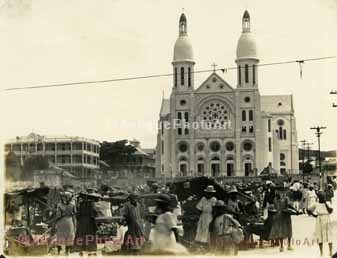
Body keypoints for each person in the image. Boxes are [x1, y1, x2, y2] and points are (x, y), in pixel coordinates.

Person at [308, 191, 333, 257]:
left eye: (323, 196)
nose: (322, 197)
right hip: (319, 219)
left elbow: (330, 211)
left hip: (326, 218)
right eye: (320, 196)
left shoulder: (327, 203)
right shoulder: (316, 204)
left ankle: (330, 252)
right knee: (319, 235)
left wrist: (325, 203)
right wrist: (314, 215)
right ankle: (321, 252)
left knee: (329, 235)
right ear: (318, 197)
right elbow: (308, 209)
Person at [269, 188, 293, 252]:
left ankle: (287, 245)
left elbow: (289, 206)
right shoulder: (279, 199)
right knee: (283, 230)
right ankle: (283, 246)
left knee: (286, 230)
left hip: (283, 215)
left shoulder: (284, 198)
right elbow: (275, 207)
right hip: (281, 216)